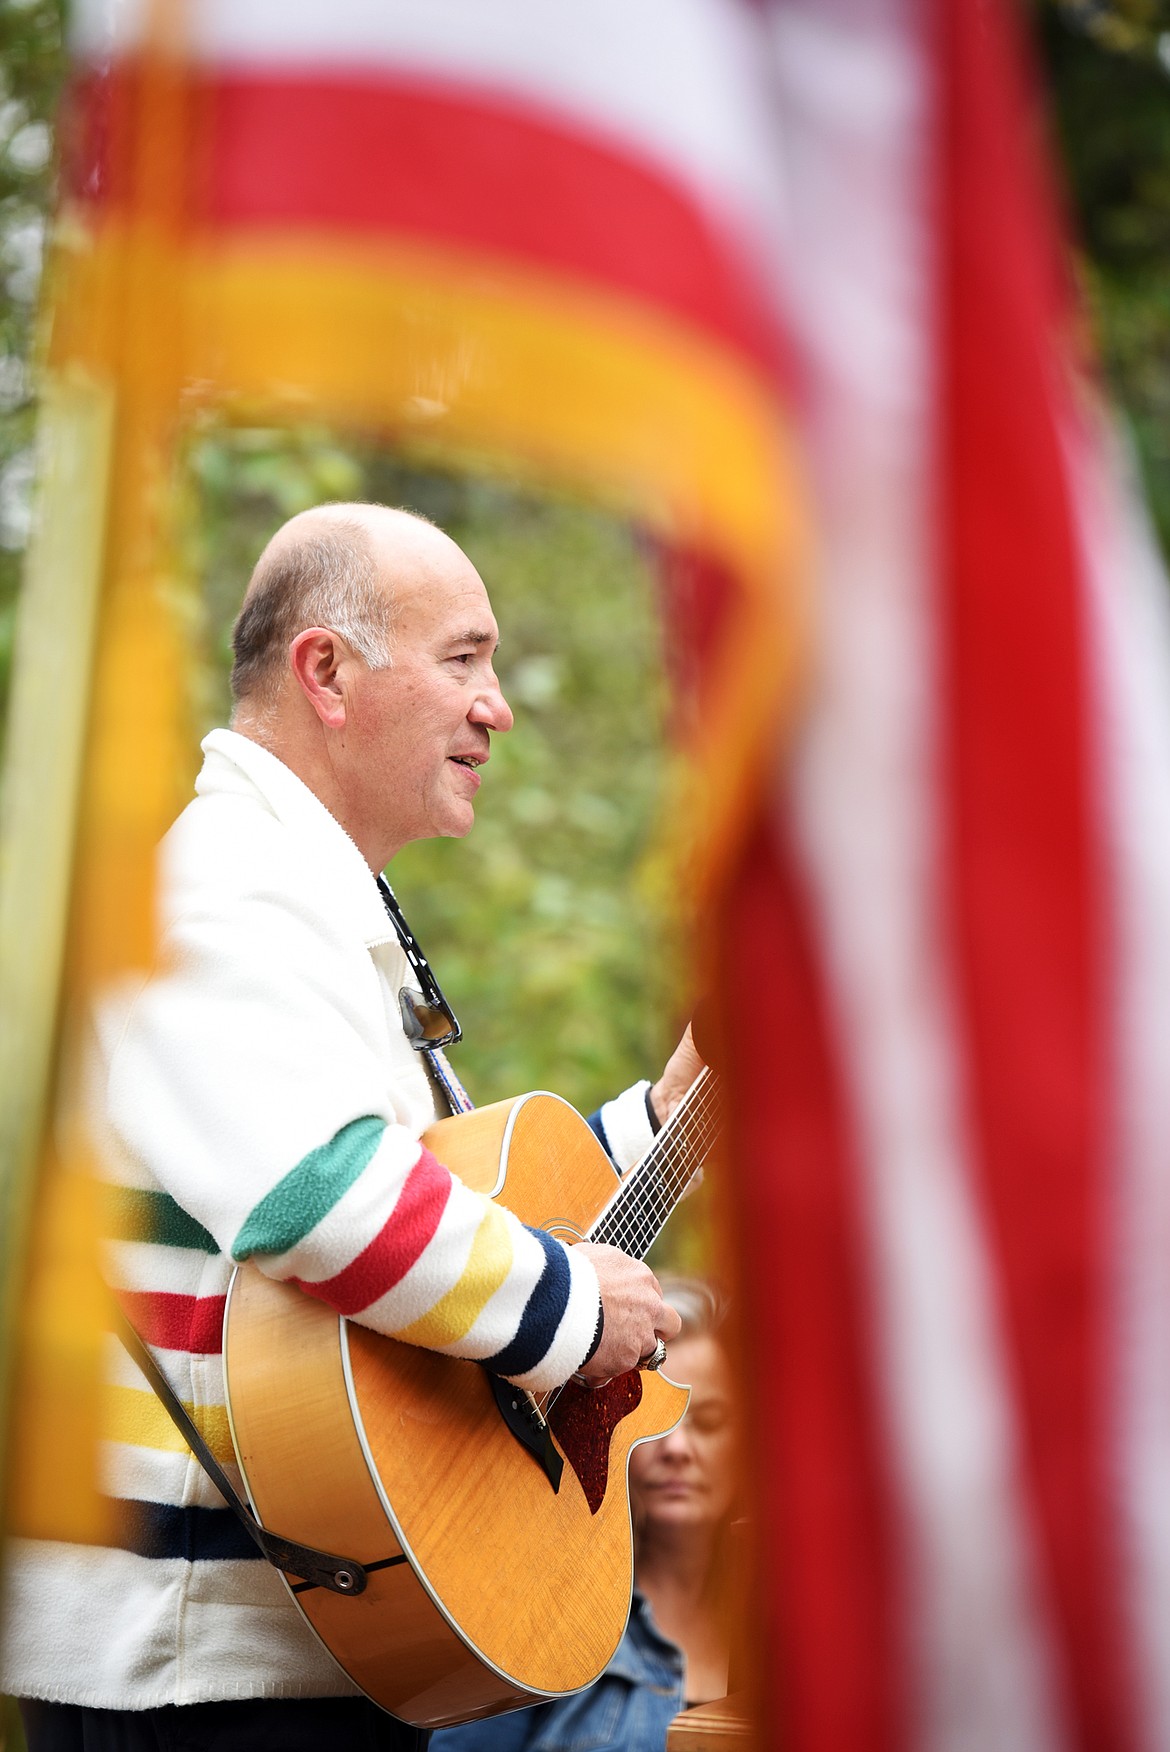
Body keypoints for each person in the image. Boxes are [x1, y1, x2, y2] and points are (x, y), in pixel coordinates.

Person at [0, 504, 703, 1752]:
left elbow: (460, 1213)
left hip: (283, 1649)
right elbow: (323, 1203)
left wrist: (674, 1105)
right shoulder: (224, 888)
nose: (497, 704)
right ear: (325, 671)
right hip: (182, 1674)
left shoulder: (315, 901)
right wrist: (582, 1317)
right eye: (463, 658)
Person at [433, 1277, 739, 1752]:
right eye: (656, 1422)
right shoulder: (545, 1620)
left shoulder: (802, 1623)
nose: (677, 1449)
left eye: (712, 1421)